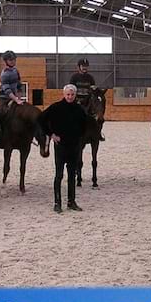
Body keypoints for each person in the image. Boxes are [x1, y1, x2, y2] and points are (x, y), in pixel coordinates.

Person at [39, 84, 88, 213]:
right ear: (64, 94)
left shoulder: (79, 109)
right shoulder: (56, 107)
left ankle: (71, 202)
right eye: (68, 94)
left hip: (74, 146)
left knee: (72, 175)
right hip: (60, 147)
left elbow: (85, 125)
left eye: (72, 94)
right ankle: (57, 202)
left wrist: (79, 137)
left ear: (75, 95)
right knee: (59, 175)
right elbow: (41, 120)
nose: (70, 97)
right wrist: (51, 134)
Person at [0, 50, 24, 147]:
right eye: (10, 60)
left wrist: (19, 98)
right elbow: (7, 90)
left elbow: (19, 85)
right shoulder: (4, 74)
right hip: (3, 98)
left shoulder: (16, 71)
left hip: (15, 97)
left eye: (14, 59)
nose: (13, 61)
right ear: (6, 61)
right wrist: (16, 99)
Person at [70, 58, 105, 141]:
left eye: (86, 66)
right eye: (83, 66)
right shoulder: (74, 77)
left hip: (88, 102)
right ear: (79, 67)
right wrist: (75, 100)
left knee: (97, 115)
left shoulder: (90, 78)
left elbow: (93, 90)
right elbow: (71, 89)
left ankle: (98, 132)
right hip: (77, 101)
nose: (85, 68)